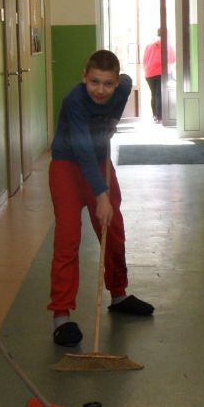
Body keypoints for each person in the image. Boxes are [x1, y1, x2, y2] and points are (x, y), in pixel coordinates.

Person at [48, 50, 154, 347]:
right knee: (68, 238)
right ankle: (61, 317)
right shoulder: (74, 101)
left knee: (113, 231)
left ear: (115, 82)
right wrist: (101, 195)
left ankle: (119, 295)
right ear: (84, 77)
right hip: (67, 166)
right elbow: (82, 150)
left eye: (108, 83)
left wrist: (112, 120)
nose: (100, 90)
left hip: (99, 162)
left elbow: (128, 81)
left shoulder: (122, 88)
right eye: (94, 82)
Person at [142, 34, 175, 123]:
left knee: (153, 94)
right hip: (161, 72)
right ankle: (160, 117)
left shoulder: (148, 46)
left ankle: (155, 116)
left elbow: (144, 60)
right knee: (159, 94)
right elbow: (172, 60)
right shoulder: (167, 46)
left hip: (149, 73)